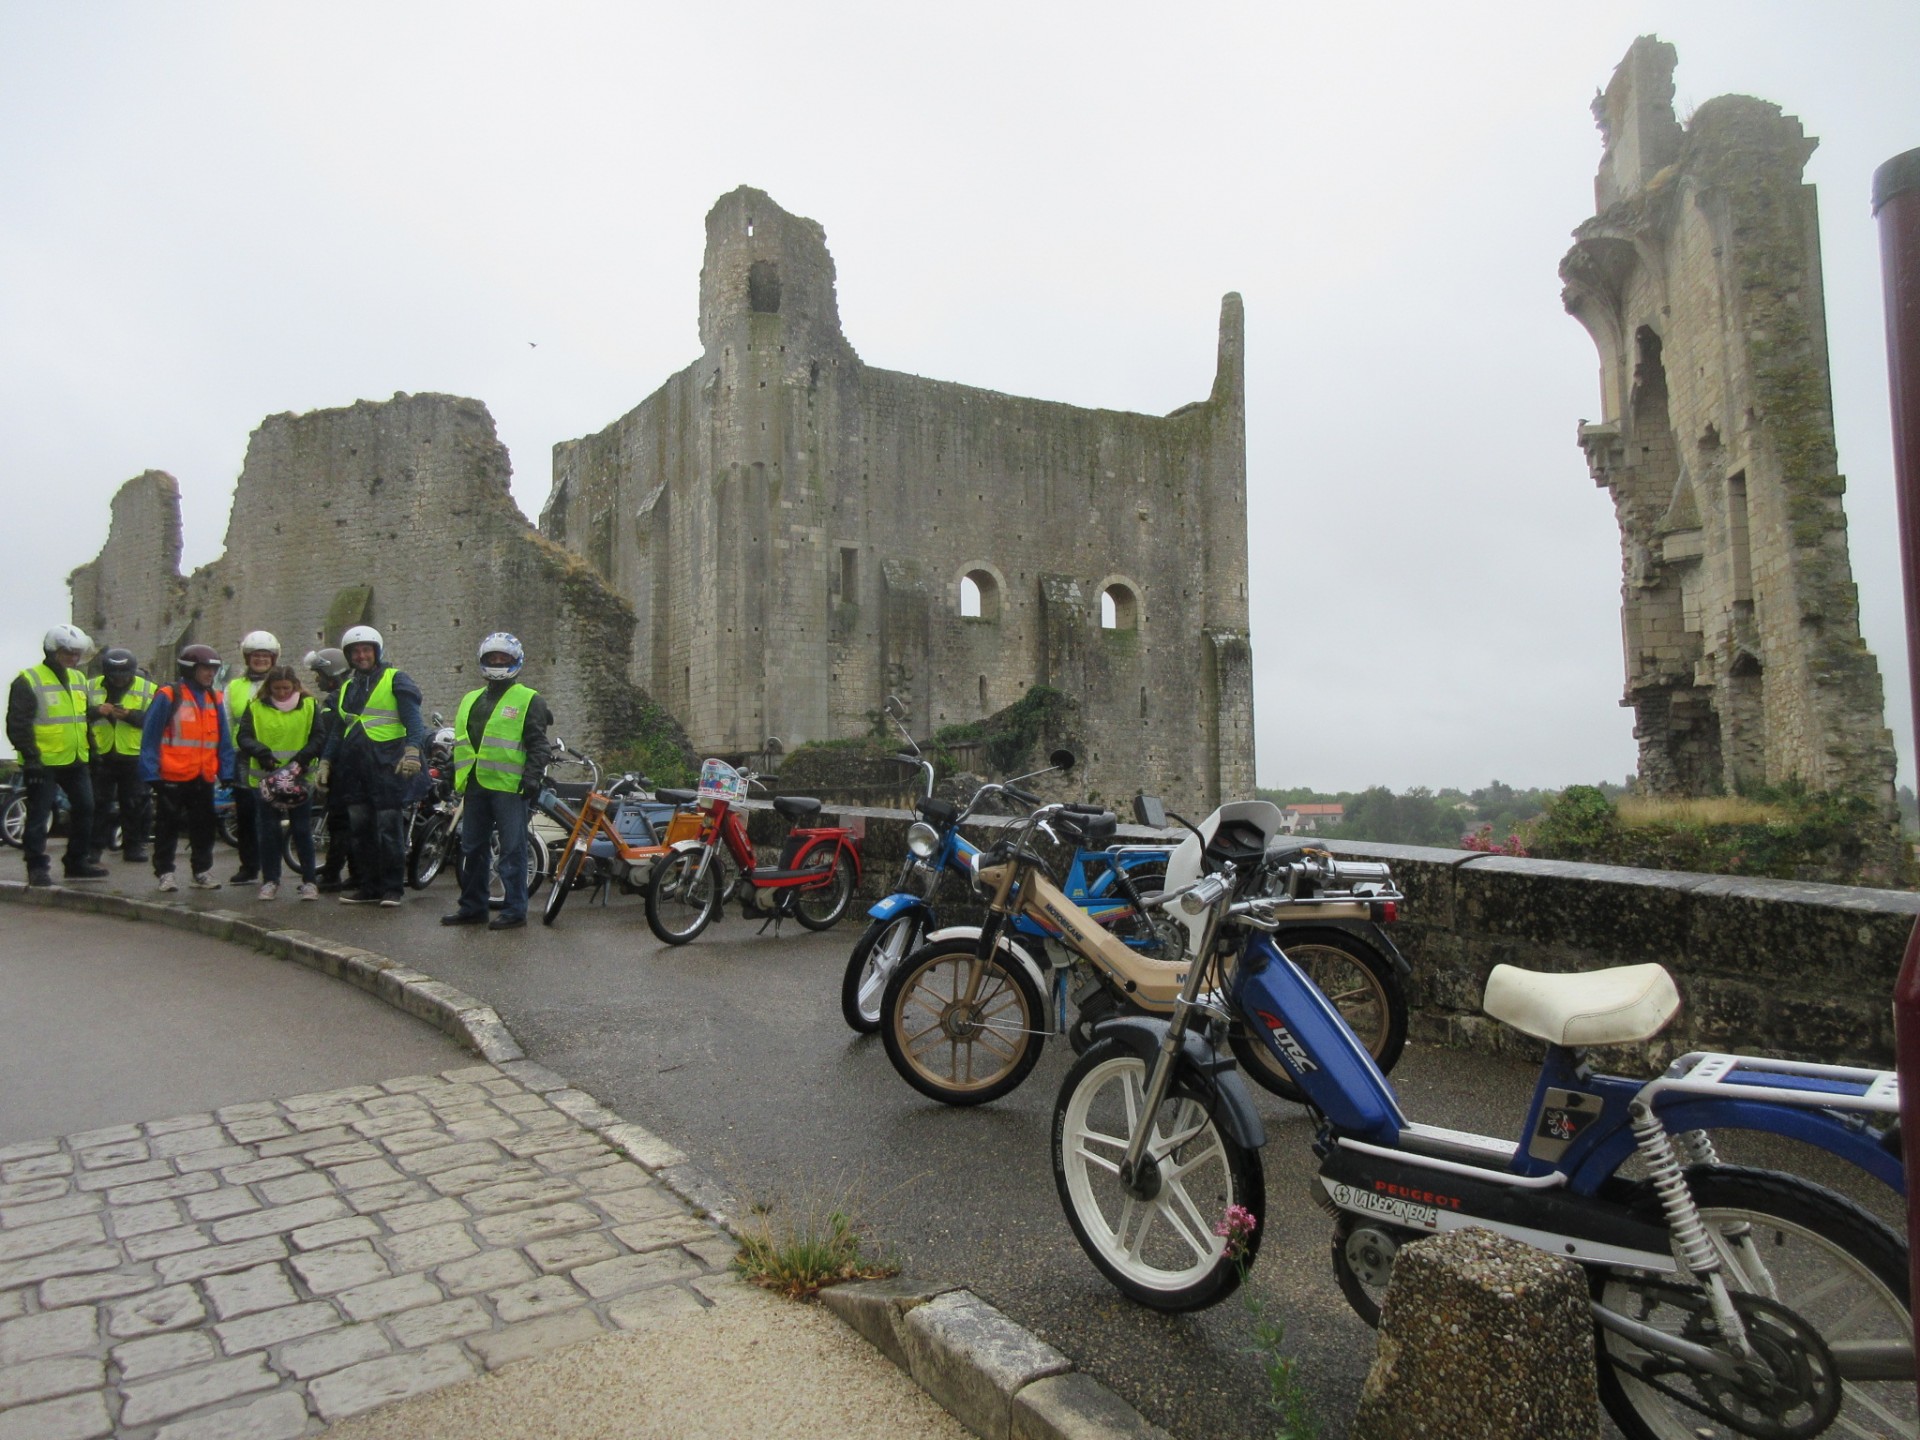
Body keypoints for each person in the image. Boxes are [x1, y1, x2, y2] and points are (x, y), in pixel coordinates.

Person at [441, 633, 551, 931]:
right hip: (476, 786)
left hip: (510, 787)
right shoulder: (470, 699)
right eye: (493, 658)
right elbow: (463, 742)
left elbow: (539, 744)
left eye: (504, 658)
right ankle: (473, 906)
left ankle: (515, 910)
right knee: (472, 848)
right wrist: (454, 775)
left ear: (516, 661)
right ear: (483, 661)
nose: (498, 663)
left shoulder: (530, 699)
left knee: (512, 851)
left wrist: (531, 778)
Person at [316, 625, 426, 906]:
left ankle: (392, 889)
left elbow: (414, 721)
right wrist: (326, 761)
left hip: (387, 765)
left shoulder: (396, 680)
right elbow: (338, 731)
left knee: (388, 829)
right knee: (360, 832)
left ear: (376, 652)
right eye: (356, 651)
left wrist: (413, 750)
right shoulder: (347, 689)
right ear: (349, 656)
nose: (361, 655)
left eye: (366, 650)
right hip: (354, 769)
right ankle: (369, 886)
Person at [7, 625, 108, 885]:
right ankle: (36, 866)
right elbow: (18, 724)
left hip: (75, 759)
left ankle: (76, 862)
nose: (73, 658)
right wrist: (30, 758)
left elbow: (81, 720)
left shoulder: (78, 680)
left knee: (86, 808)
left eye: (77, 653)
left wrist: (93, 752)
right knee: (40, 815)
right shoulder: (28, 680)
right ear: (53, 651)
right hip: (43, 762)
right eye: (68, 653)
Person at [139, 643, 234, 892]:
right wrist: (150, 773)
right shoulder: (169, 696)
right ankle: (165, 872)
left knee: (204, 826)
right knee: (167, 827)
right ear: (190, 669)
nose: (210, 675)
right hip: (172, 774)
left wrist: (227, 772)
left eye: (214, 670)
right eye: (205, 669)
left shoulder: (215, 697)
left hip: (203, 775)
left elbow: (223, 739)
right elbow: (150, 737)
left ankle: (201, 871)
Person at [234, 664, 323, 901]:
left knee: (302, 830)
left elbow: (318, 736)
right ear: (269, 688)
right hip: (265, 779)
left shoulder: (310, 706)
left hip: (300, 778)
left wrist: (303, 758)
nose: (282, 693)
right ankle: (270, 880)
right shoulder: (255, 707)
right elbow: (243, 736)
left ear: (295, 686)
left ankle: (309, 881)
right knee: (268, 831)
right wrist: (261, 752)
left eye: (286, 688)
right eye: (277, 689)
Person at [88, 647, 155, 864]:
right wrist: (98, 711)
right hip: (101, 753)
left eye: (124, 675)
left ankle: (133, 847)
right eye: (114, 676)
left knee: (134, 804)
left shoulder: (149, 689)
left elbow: (157, 722)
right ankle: (94, 849)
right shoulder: (90, 687)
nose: (119, 680)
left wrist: (129, 715)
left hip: (133, 755)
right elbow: (75, 715)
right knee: (98, 804)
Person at [223, 630, 280, 884]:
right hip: (244, 757)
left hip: (275, 756)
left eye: (265, 656)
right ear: (247, 658)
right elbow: (226, 724)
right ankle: (249, 866)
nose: (260, 660)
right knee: (246, 813)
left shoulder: (282, 683)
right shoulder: (234, 687)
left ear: (273, 659)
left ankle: (273, 867)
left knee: (273, 813)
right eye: (256, 656)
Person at [302, 647, 359, 894]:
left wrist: (322, 761)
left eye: (319, 674)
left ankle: (333, 872)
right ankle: (355, 873)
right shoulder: (350, 694)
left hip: (342, 770)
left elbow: (328, 737)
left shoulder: (336, 700)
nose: (317, 680)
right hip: (349, 768)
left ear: (332, 673)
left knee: (340, 823)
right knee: (351, 823)